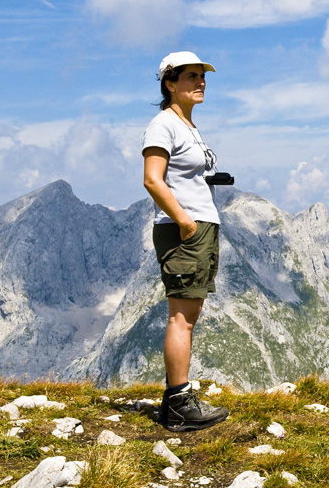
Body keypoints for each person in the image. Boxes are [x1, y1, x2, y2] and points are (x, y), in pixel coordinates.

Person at [142, 51, 229, 432]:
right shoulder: (163, 124)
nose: (200, 82)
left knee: (188, 316)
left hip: (200, 226)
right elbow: (152, 179)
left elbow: (181, 176)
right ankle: (178, 403)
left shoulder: (186, 125)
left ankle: (178, 400)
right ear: (169, 83)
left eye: (202, 76)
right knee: (181, 318)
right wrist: (184, 221)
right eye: (190, 76)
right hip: (185, 231)